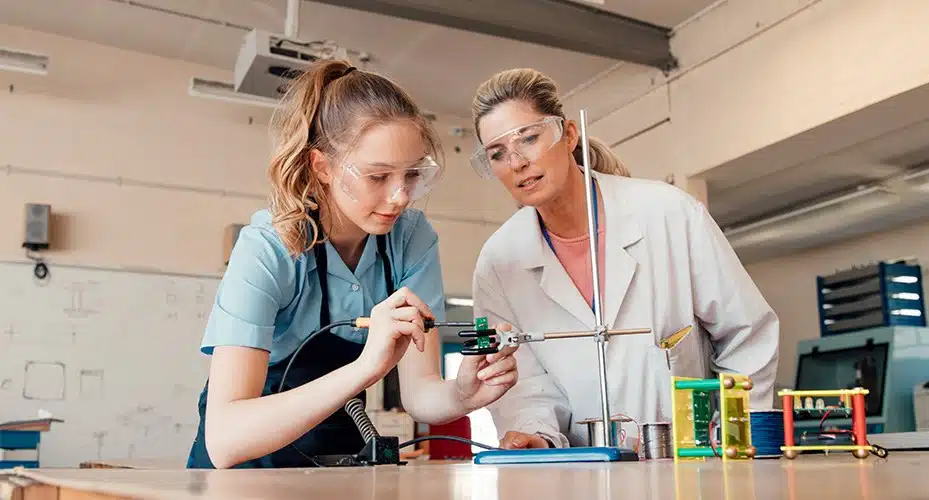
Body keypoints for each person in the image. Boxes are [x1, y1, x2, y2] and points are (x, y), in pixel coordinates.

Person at [186, 60, 518, 469]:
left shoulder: (410, 239)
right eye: (378, 177)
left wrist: (464, 395)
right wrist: (366, 367)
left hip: (335, 445)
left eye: (412, 174)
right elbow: (225, 439)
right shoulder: (268, 248)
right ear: (322, 167)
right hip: (242, 464)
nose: (400, 196)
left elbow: (419, 394)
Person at [467, 68, 779, 450]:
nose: (516, 163)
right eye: (497, 154)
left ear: (568, 134)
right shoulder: (499, 261)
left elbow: (748, 334)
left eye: (528, 138)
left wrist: (730, 439)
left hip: (688, 465)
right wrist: (535, 433)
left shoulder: (668, 214)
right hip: (578, 475)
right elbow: (525, 382)